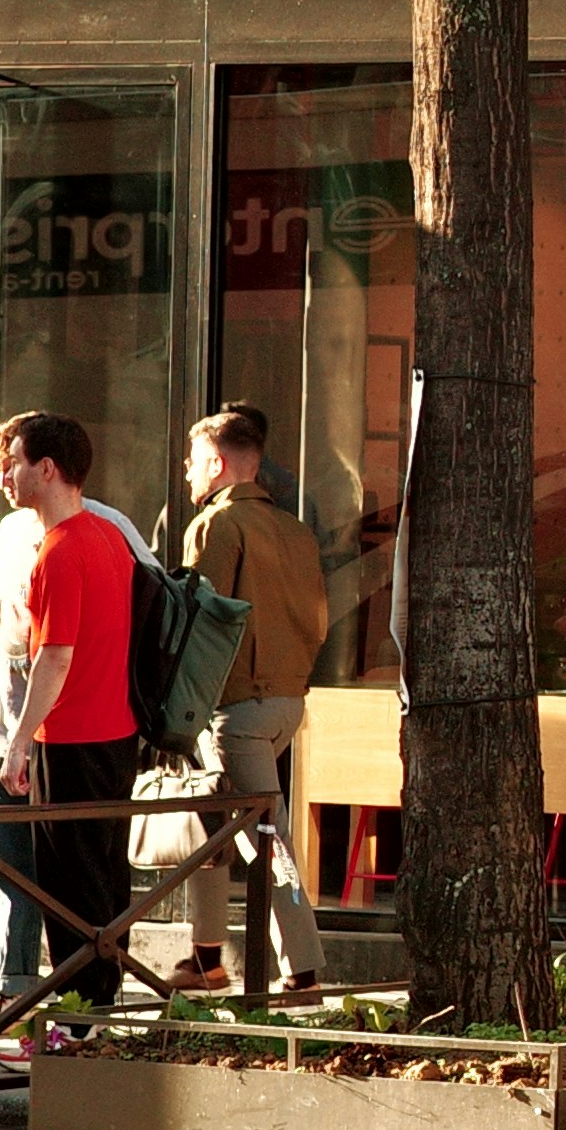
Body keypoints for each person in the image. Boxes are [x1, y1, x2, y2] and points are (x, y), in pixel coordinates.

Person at [0, 413, 144, 1044]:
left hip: (71, 737)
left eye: (14, 462)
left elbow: (56, 654)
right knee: (102, 876)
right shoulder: (109, 537)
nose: (7, 475)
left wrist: (20, 738)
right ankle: (97, 1009)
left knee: (67, 884)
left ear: (47, 469)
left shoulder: (59, 549)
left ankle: (75, 1020)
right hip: (115, 731)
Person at [164, 405, 332, 1003]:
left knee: (266, 841)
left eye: (192, 459)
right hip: (286, 699)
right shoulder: (295, 529)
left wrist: (172, 705)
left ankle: (304, 973)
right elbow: (317, 620)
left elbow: (196, 624)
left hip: (234, 705)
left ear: (217, 463)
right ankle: (206, 958)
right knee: (218, 823)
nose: (186, 471)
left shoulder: (215, 525)